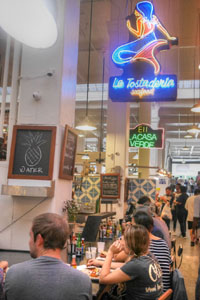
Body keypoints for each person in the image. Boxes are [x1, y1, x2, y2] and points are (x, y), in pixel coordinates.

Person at [5, 213, 92, 300]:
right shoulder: (83, 281)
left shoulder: (13, 274)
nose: (29, 242)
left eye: (30, 236)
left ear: (39, 239)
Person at [99, 224, 163, 300]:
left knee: (103, 295)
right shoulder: (150, 256)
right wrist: (99, 262)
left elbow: (103, 279)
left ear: (131, 243)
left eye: (124, 239)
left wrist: (110, 252)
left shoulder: (136, 265)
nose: (122, 242)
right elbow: (125, 267)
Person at [112, 1, 177, 74]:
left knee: (119, 52)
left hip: (143, 42)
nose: (135, 13)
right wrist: (169, 37)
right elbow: (161, 28)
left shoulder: (140, 20)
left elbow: (139, 35)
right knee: (122, 52)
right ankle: (142, 60)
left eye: (137, 11)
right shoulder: (153, 18)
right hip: (153, 39)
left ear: (142, 11)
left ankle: (134, 60)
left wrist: (129, 26)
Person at [133, 211, 172, 292]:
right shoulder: (162, 242)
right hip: (164, 292)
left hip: (153, 293)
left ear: (138, 228)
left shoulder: (143, 244)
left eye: (132, 226)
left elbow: (127, 265)